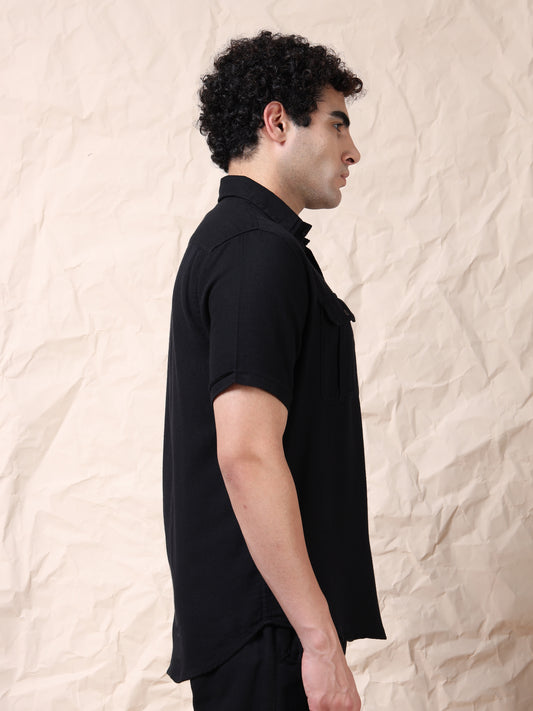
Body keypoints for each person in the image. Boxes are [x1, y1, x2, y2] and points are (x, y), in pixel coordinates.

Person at [163, 30, 386, 711]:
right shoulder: (253, 253)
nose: (352, 150)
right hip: (269, 635)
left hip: (268, 627)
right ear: (277, 122)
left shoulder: (241, 245)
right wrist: (318, 644)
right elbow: (247, 453)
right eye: (337, 124)